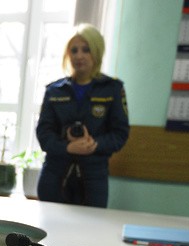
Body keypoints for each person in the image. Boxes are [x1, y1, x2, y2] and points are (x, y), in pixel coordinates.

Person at [36, 23, 130, 208]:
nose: (79, 55)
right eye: (74, 50)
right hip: (55, 176)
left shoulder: (112, 89)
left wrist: (94, 144)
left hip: (93, 178)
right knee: (49, 233)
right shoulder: (54, 91)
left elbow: (120, 134)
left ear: (96, 52)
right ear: (67, 54)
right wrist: (68, 146)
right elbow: (44, 134)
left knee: (89, 234)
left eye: (86, 50)